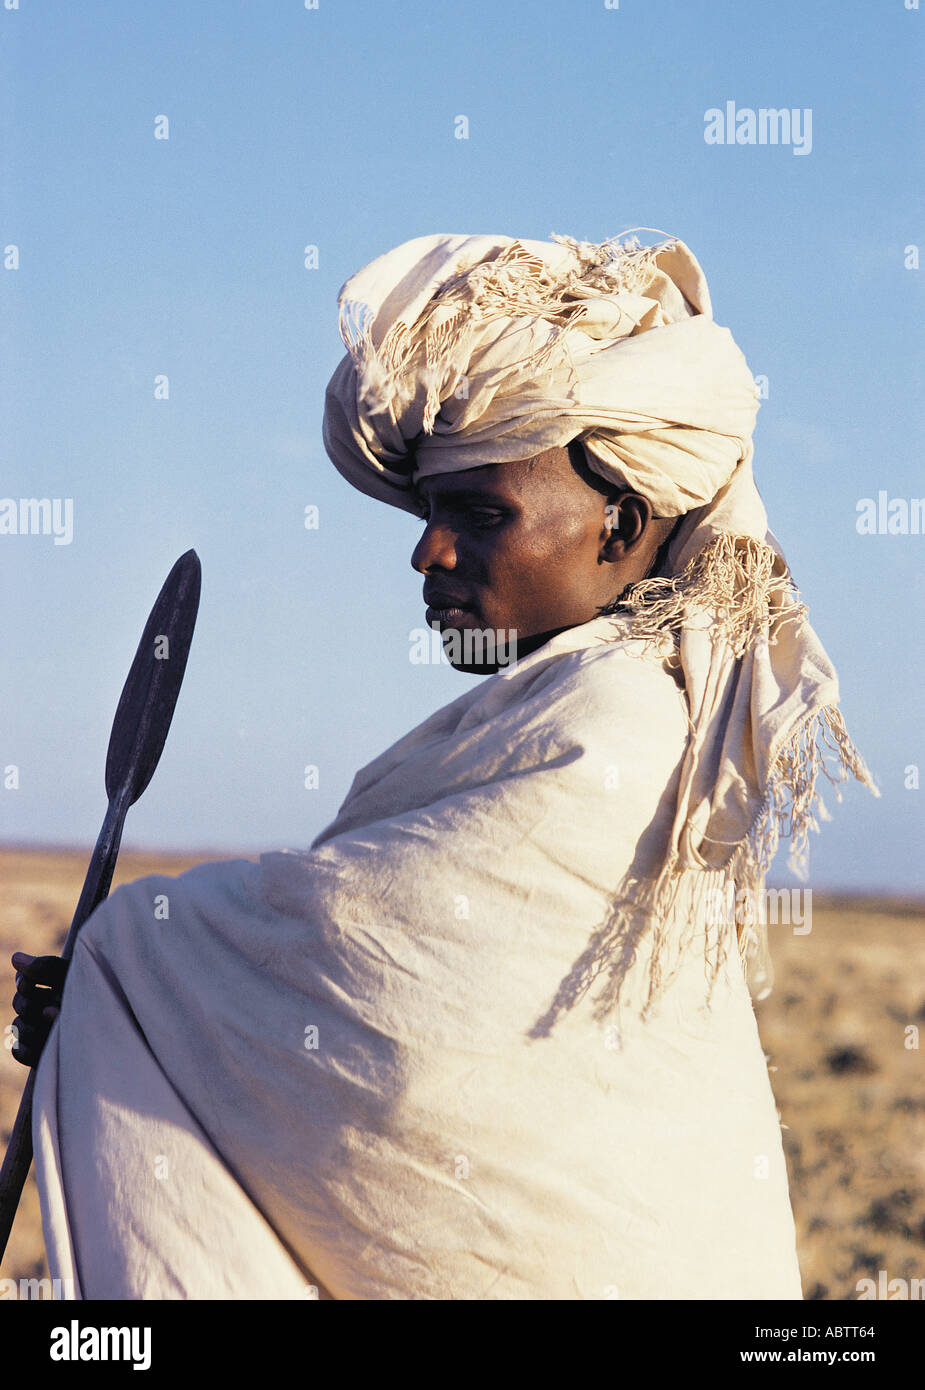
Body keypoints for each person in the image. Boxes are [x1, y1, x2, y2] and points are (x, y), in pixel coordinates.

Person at [11, 228, 876, 1299]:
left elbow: (380, 1009)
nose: (427, 552)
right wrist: (137, 996)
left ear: (622, 523)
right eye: (429, 512)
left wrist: (130, 967)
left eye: (477, 513)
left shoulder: (617, 730)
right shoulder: (567, 708)